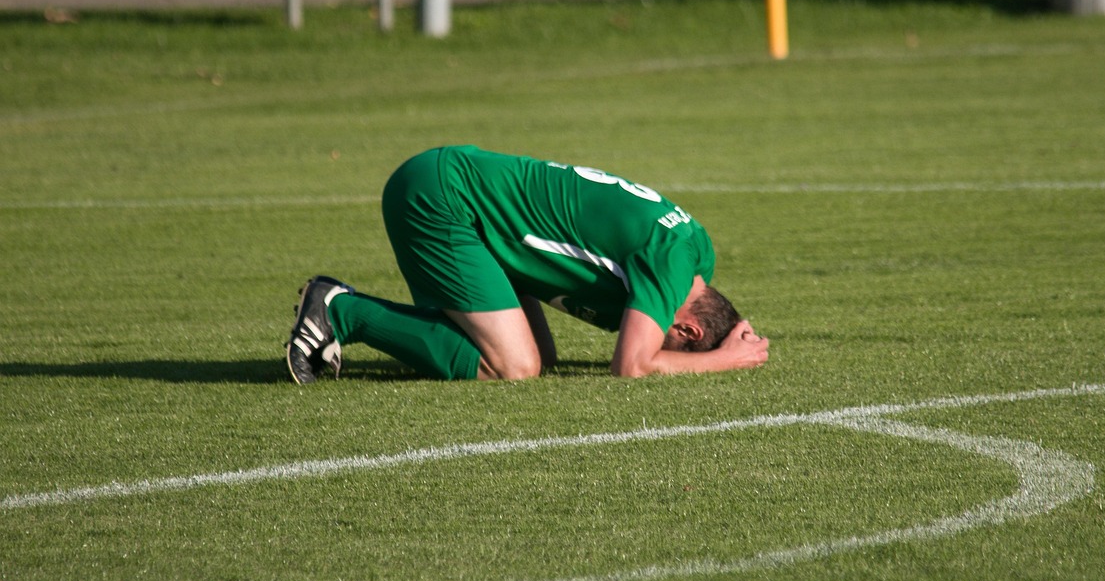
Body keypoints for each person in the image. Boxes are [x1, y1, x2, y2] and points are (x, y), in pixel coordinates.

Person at [286, 145, 769, 382]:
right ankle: (340, 311)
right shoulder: (670, 265)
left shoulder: (696, 253)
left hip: (465, 202)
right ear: (688, 332)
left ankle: (377, 321)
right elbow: (633, 366)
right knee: (513, 365)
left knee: (539, 356)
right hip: (444, 199)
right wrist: (726, 359)